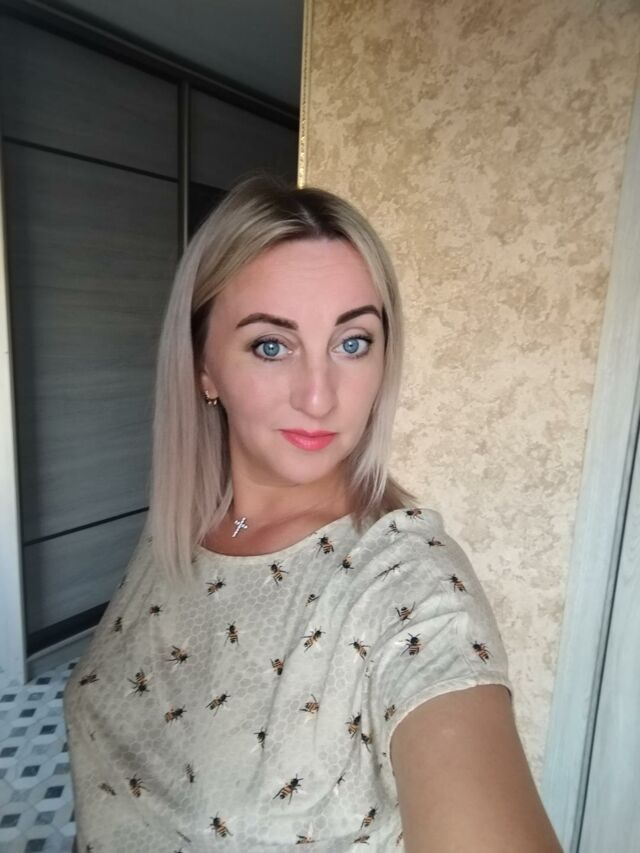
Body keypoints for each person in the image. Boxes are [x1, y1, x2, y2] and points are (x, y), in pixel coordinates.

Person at [64, 176, 562, 852]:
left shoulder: (406, 584)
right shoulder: (181, 526)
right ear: (204, 367)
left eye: (352, 342)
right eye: (272, 345)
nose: (320, 397)